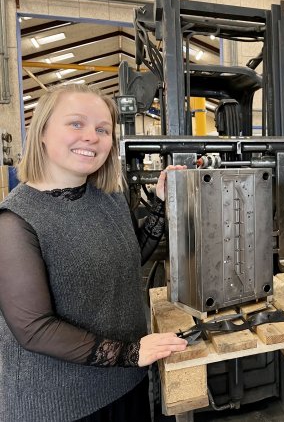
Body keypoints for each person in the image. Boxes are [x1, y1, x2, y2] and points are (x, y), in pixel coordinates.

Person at [0, 84, 188, 421]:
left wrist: (161, 202)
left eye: (103, 129)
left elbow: (132, 254)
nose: (91, 137)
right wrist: (132, 353)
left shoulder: (109, 197)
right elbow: (34, 329)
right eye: (76, 123)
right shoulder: (15, 221)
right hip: (61, 404)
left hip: (124, 384)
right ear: (41, 132)